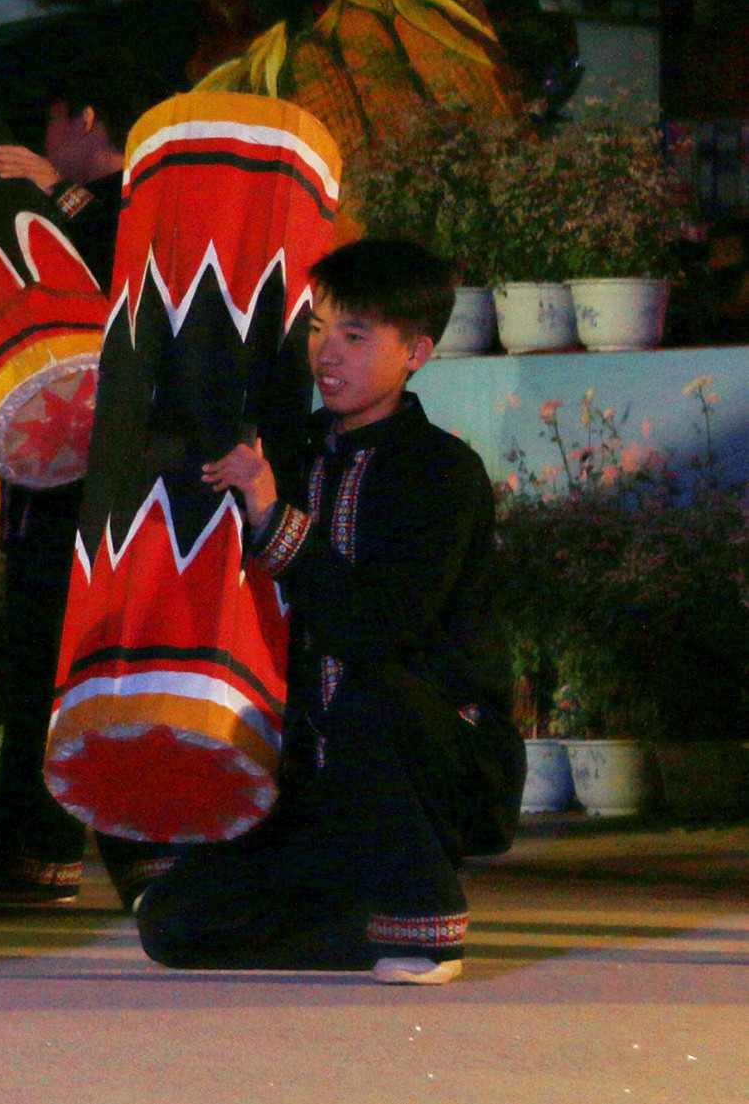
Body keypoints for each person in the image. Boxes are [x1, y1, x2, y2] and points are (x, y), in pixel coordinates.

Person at [136, 239, 521, 985]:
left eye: (355, 335)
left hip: (436, 757)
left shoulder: (441, 472)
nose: (326, 354)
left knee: (372, 696)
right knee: (172, 924)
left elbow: (374, 626)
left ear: (416, 352)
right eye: (317, 329)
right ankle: (363, 918)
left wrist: (274, 516)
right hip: (320, 785)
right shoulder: (295, 452)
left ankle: (425, 925)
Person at [0, 60, 166, 908]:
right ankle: (39, 859)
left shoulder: (139, 205)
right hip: (55, 485)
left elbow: (115, 287)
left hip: (99, 493)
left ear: (89, 117)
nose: (43, 144)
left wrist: (52, 198)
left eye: (52, 123)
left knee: (84, 670)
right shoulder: (97, 206)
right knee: (41, 675)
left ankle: (133, 860)